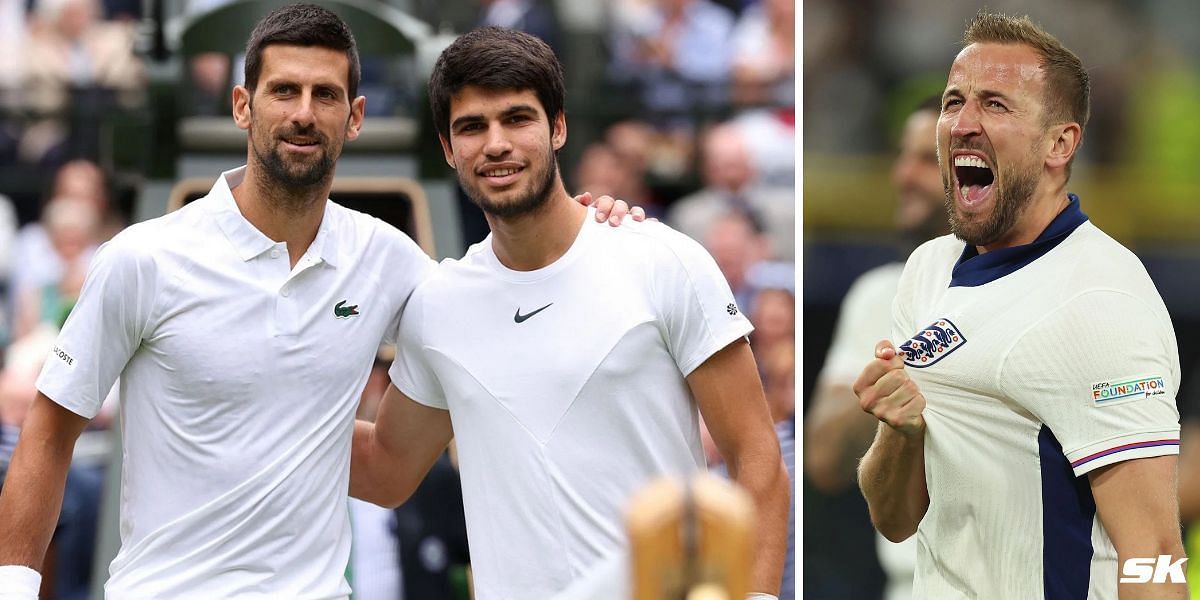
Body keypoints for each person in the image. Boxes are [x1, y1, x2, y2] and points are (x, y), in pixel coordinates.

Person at [0, 5, 636, 597]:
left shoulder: (389, 260)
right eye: (284, 91)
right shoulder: (141, 259)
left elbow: (503, 294)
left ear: (353, 116)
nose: (304, 113)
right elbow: (49, 435)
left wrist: (587, 225)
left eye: (325, 95)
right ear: (243, 106)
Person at [350, 26, 790, 599]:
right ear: (448, 148)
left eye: (517, 119)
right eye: (472, 127)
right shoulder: (437, 304)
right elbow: (386, 468)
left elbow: (757, 457)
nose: (496, 143)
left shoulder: (663, 258)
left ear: (558, 127)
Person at [855, 12, 1185, 599]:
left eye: (995, 105)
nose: (961, 123)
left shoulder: (1098, 302)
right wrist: (899, 433)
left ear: (1061, 143)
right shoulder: (927, 270)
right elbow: (895, 520)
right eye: (954, 101)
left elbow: (1155, 550)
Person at [803, 96, 946, 600]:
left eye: (927, 161)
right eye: (902, 157)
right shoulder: (880, 293)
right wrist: (928, 349)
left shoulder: (1040, 288)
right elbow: (823, 458)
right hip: (909, 586)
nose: (904, 175)